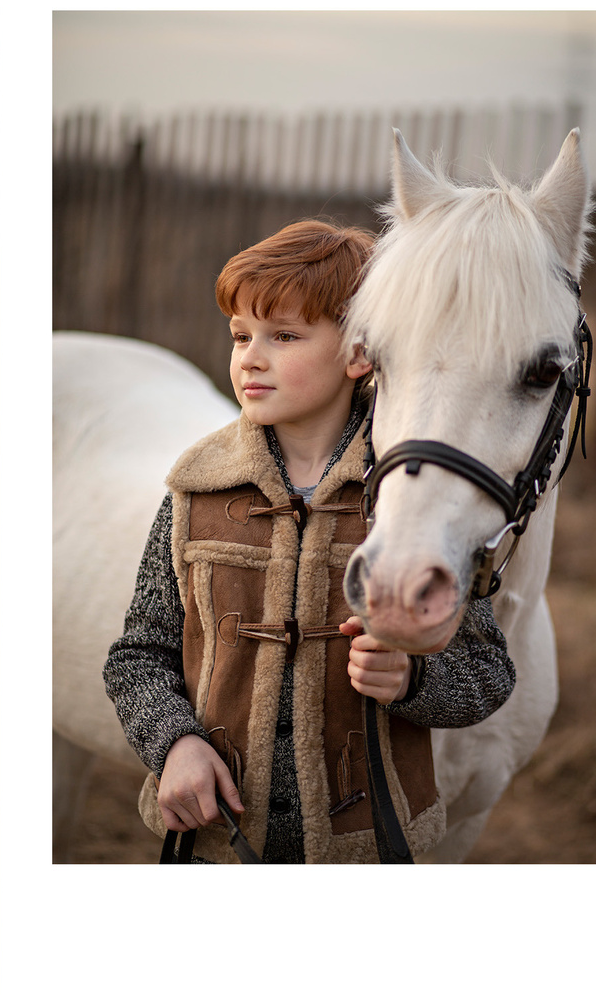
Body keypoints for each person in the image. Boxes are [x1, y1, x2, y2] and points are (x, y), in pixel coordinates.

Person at [102, 220, 517, 864]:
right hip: (218, 843)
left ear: (359, 354)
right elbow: (137, 656)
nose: (250, 358)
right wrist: (174, 743)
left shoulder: (411, 500)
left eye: (284, 336)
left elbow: (488, 671)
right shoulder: (195, 489)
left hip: (370, 846)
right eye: (241, 335)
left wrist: (412, 679)